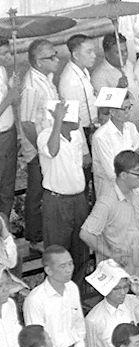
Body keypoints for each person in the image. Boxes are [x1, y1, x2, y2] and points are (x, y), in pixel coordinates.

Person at [23, 246, 87, 347]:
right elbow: (38, 342)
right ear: (48, 270)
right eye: (62, 266)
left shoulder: (72, 288)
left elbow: (78, 323)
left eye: (71, 264)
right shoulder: (35, 300)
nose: (69, 270)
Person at [38, 100, 90, 285]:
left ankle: (76, 293)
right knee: (57, 253)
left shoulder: (76, 135)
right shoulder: (45, 135)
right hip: (57, 201)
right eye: (75, 115)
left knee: (81, 250)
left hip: (78, 200)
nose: (80, 119)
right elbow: (52, 151)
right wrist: (57, 121)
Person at [80, 150, 139, 283]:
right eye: (138, 174)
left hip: (138, 270)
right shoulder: (106, 202)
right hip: (117, 278)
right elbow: (86, 234)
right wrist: (111, 254)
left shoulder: (135, 193)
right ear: (123, 175)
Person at [20, 38, 60, 251]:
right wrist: (39, 148)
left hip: (48, 143)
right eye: (51, 56)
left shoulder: (46, 77)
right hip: (38, 148)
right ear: (38, 61)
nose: (56, 59)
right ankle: (35, 238)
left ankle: (46, 231)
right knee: (36, 191)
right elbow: (26, 122)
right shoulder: (32, 86)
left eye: (55, 53)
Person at [91, 88, 139, 200]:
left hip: (134, 189)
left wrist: (134, 168)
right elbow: (112, 171)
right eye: (124, 109)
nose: (128, 111)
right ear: (113, 112)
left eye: (129, 107)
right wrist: (135, 161)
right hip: (112, 194)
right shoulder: (101, 136)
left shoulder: (131, 128)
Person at [91, 33, 139, 130]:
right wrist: (118, 89)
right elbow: (103, 110)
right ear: (106, 53)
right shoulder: (99, 76)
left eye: (125, 51)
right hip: (116, 129)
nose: (124, 55)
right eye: (118, 52)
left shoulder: (128, 65)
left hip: (135, 124)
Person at [58, 34, 98, 133]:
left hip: (93, 124)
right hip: (83, 130)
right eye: (89, 52)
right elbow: (71, 117)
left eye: (93, 51)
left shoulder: (83, 69)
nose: (94, 55)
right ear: (76, 55)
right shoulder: (70, 81)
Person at [0, 38, 17, 221]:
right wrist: (11, 95)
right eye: (3, 53)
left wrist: (12, 88)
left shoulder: (3, 70)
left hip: (9, 130)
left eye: (9, 52)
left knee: (8, 182)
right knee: (3, 183)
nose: (8, 56)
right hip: (1, 135)